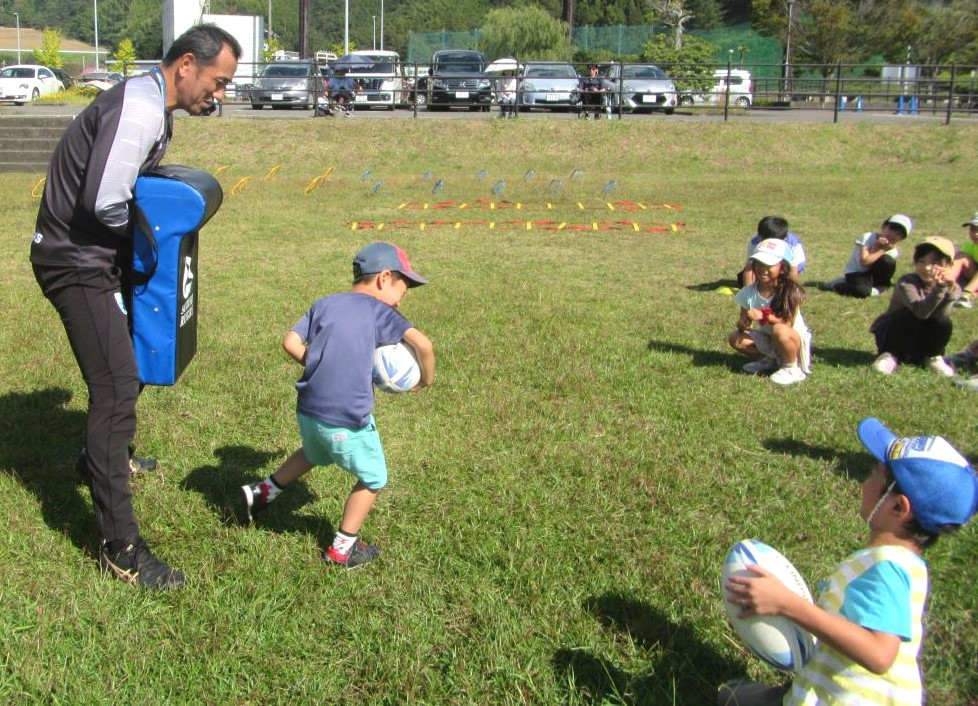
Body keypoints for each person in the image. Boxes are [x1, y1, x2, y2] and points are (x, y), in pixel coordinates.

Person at [29, 25, 240, 590]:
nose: (218, 95)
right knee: (117, 386)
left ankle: (100, 457)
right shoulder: (141, 109)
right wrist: (149, 250)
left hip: (98, 257)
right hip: (75, 262)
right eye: (218, 82)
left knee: (133, 361)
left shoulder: (153, 101)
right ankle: (120, 549)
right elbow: (104, 201)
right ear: (187, 64)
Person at [718, 417, 978, 706]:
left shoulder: (887, 569)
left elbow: (879, 655)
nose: (864, 482)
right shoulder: (903, 562)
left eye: (874, 474)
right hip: (834, 682)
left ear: (897, 507)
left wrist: (787, 604)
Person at [241, 242, 435, 569]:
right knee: (373, 478)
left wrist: (319, 363)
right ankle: (342, 549)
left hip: (308, 410)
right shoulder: (381, 311)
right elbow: (424, 345)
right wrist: (425, 381)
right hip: (347, 419)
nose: (405, 293)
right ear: (384, 278)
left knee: (313, 453)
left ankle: (262, 493)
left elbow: (290, 342)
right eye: (404, 284)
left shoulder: (325, 303)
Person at [869, 236, 960, 376]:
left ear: (949, 266)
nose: (927, 267)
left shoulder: (952, 288)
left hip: (920, 339)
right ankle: (889, 355)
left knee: (944, 321)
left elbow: (943, 314)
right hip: (895, 334)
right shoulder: (907, 282)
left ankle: (932, 356)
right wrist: (939, 289)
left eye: (935, 262)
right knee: (908, 314)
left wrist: (949, 291)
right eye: (921, 261)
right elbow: (920, 312)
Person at [728, 238, 812, 386]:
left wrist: (764, 315)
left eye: (769, 265)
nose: (762, 269)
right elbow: (743, 321)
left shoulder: (790, 291)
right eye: (759, 264)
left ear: (782, 267)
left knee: (779, 329)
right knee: (735, 338)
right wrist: (743, 323)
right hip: (769, 337)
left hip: (792, 339)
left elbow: (787, 324)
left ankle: (792, 367)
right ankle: (772, 360)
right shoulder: (749, 292)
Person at [822, 215, 912, 298]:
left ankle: (880, 287)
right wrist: (881, 249)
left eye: (898, 234)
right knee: (862, 292)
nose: (893, 235)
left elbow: (883, 267)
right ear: (884, 226)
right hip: (857, 273)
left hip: (872, 275)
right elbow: (864, 262)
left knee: (889, 261)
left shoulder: (893, 251)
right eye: (892, 229)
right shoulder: (868, 237)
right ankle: (838, 285)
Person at [738, 215, 807, 287]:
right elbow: (750, 266)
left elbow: (794, 267)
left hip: (785, 269)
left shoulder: (793, 243)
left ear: (783, 238)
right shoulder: (755, 242)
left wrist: (792, 289)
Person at [947, 211, 978, 308]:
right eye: (972, 229)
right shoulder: (968, 247)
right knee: (959, 256)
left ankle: (966, 295)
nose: (975, 234)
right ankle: (946, 286)